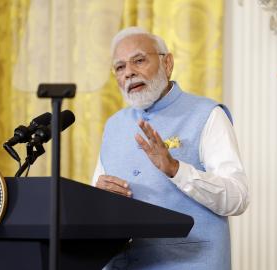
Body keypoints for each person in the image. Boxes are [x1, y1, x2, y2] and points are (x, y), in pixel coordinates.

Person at [92, 27, 249, 270]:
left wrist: (176, 169)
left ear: (167, 63)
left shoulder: (207, 114)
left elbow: (237, 198)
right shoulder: (113, 125)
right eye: (120, 67)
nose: (129, 73)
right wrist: (98, 195)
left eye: (139, 60)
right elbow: (100, 198)